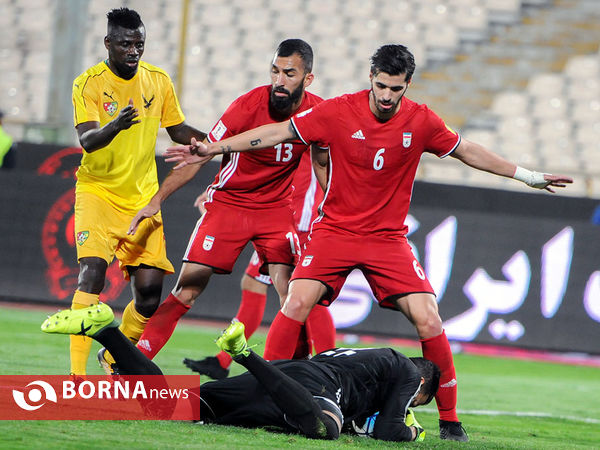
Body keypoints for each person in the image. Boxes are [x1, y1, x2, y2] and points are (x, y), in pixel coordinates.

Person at [164, 44, 574, 441]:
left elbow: (467, 151)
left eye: (396, 89)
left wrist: (527, 175)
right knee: (296, 302)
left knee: (429, 318)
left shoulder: (422, 120)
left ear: (407, 85)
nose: (387, 96)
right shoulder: (339, 111)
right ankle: (272, 392)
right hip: (335, 231)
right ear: (371, 80)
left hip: (387, 239)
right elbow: (275, 133)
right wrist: (214, 147)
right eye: (381, 86)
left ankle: (450, 420)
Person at [125, 39, 334, 365]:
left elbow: (323, 164)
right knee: (188, 289)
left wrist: (333, 209)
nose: (279, 81)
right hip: (229, 205)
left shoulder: (318, 112)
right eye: (274, 71)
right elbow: (200, 154)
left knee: (293, 297)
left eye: (289, 74)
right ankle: (132, 363)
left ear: (308, 79)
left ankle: (297, 378)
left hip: (276, 210)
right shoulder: (247, 105)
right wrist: (157, 200)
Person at [42, 303, 439, 442]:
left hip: (288, 378)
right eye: (416, 402)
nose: (410, 406)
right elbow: (389, 429)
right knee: (325, 429)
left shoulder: (368, 361)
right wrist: (413, 432)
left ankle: (107, 331)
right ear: (420, 386)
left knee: (170, 406)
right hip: (313, 386)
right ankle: (245, 352)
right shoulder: (405, 368)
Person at [69, 7, 207, 376]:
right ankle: (75, 375)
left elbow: (177, 130)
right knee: (92, 274)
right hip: (98, 192)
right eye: (127, 44)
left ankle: (113, 360)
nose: (134, 51)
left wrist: (215, 141)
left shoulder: (157, 81)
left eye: (139, 44)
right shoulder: (88, 83)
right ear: (108, 43)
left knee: (148, 296)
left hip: (142, 199)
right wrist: (114, 125)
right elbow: (87, 140)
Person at [184, 151, 335, 379]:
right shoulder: (292, 124)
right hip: (283, 215)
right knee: (256, 284)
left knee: (304, 294)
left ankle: (329, 363)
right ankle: (223, 361)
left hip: (301, 220)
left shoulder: (309, 123)